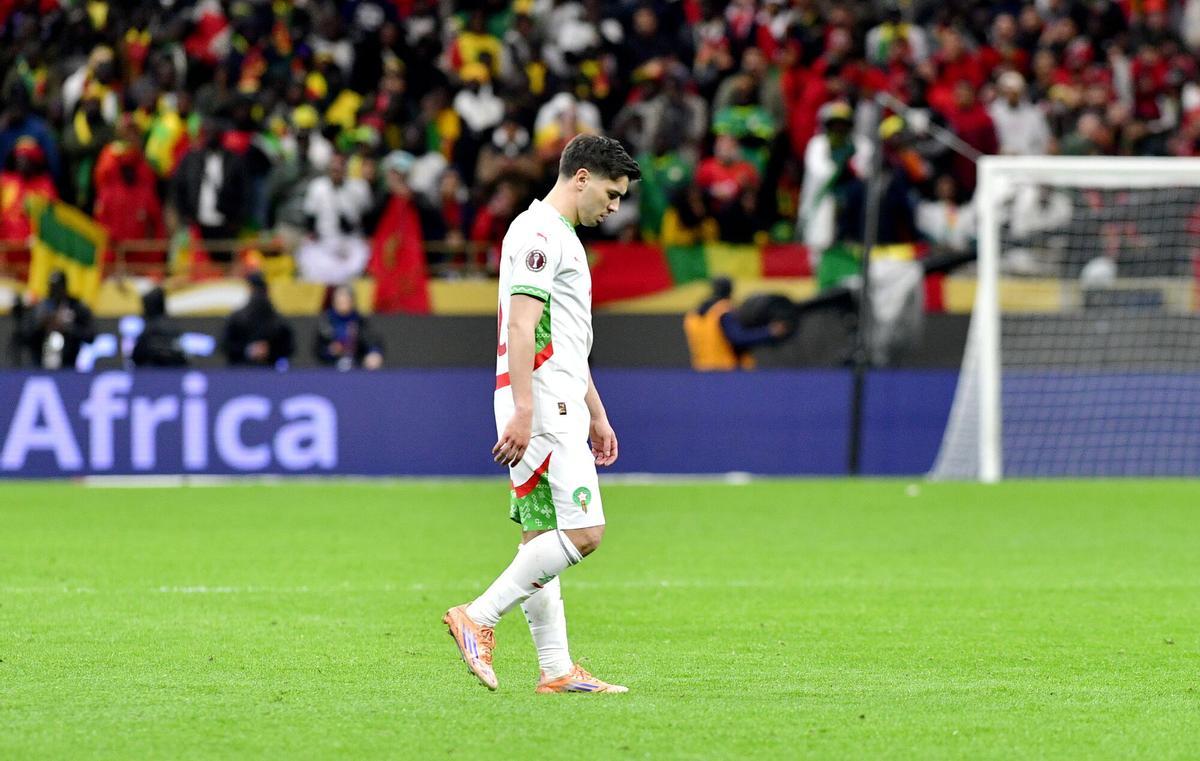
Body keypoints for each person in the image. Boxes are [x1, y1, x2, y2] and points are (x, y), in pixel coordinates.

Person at [443, 134, 640, 694]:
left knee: (539, 537)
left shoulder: (559, 236)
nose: (615, 206)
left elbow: (567, 341)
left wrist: (596, 412)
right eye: (611, 192)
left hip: (554, 395)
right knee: (585, 531)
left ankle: (555, 669)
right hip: (544, 402)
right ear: (581, 177)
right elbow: (522, 326)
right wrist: (526, 408)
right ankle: (477, 616)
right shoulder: (538, 233)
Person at [295, 153, 374, 285]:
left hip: (351, 242)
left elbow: (368, 217)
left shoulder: (359, 188)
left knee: (362, 258)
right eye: (334, 167)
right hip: (325, 242)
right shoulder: (317, 187)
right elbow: (310, 218)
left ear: (346, 168)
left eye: (340, 166)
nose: (336, 170)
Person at [683, 277, 788, 370]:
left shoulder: (693, 315)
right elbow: (738, 337)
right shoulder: (723, 312)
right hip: (726, 372)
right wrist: (769, 331)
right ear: (730, 291)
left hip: (701, 371)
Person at [20, 270, 96, 370]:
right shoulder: (40, 307)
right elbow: (24, 338)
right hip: (39, 366)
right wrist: (41, 325)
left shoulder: (76, 307)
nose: (54, 292)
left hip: (69, 365)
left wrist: (67, 327)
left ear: (65, 287)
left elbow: (90, 336)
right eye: (52, 288)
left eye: (57, 288)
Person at [221, 272, 294, 367]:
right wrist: (248, 350)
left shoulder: (278, 320)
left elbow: (288, 347)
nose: (258, 294)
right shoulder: (237, 318)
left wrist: (269, 351)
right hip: (241, 370)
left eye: (261, 290)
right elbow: (225, 346)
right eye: (255, 290)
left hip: (271, 369)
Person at [313, 285, 383, 370]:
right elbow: (318, 349)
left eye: (346, 301)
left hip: (356, 366)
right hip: (330, 368)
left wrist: (374, 352)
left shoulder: (360, 321)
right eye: (340, 302)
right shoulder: (326, 321)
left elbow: (372, 341)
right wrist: (330, 351)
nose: (343, 304)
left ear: (352, 302)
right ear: (334, 302)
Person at [131, 287, 187, 367]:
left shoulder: (149, 329)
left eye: (144, 306)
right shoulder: (175, 327)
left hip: (154, 373)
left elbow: (136, 357)